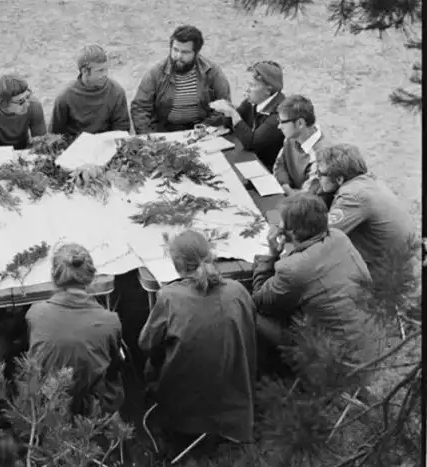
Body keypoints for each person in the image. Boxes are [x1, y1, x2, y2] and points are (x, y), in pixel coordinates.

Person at [138, 230, 257, 444]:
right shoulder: (238, 290)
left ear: (177, 264)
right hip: (235, 392)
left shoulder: (170, 297)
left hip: (187, 404)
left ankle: (166, 430)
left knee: (151, 363)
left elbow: (146, 343)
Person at [252, 193, 374, 365]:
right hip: (370, 344)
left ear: (291, 232)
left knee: (248, 313)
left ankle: (274, 372)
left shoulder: (293, 269)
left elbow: (259, 301)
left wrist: (271, 255)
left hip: (339, 360)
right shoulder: (338, 236)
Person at [25, 243, 124, 416]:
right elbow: (114, 361)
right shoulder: (110, 321)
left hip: (48, 405)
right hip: (94, 407)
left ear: (54, 276)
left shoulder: (35, 313)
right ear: (92, 276)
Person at [316, 144, 418, 282]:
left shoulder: (353, 197)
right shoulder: (369, 182)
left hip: (387, 278)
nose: (317, 177)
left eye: (320, 174)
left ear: (339, 179)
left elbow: (319, 237)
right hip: (404, 265)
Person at [130, 25, 232, 134]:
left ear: (196, 53)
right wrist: (149, 137)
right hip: (165, 131)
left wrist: (204, 129)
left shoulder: (212, 72)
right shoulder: (156, 73)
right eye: (175, 50)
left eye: (185, 52)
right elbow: (140, 108)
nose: (178, 56)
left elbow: (224, 106)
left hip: (202, 128)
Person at [209, 60, 286, 170]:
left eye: (252, 85)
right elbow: (232, 122)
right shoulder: (255, 100)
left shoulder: (279, 114)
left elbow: (252, 143)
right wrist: (226, 110)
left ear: (268, 90)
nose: (247, 90)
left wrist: (233, 113)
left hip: (269, 168)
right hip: (252, 160)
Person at [49, 45, 131, 138]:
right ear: (85, 71)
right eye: (100, 70)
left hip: (107, 143)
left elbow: (121, 131)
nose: (105, 74)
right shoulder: (65, 97)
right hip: (75, 145)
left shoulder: (116, 92)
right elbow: (55, 135)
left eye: (106, 69)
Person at [0, 73, 46, 156]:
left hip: (23, 149)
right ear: (3, 103)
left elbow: (40, 143)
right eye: (20, 101)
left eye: (27, 96)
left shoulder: (34, 105)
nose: (27, 104)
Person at [273, 95, 328, 195]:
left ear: (300, 123)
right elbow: (279, 165)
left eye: (282, 122)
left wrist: (287, 191)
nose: (279, 126)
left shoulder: (321, 155)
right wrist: (285, 185)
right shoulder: (291, 138)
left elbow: (307, 194)